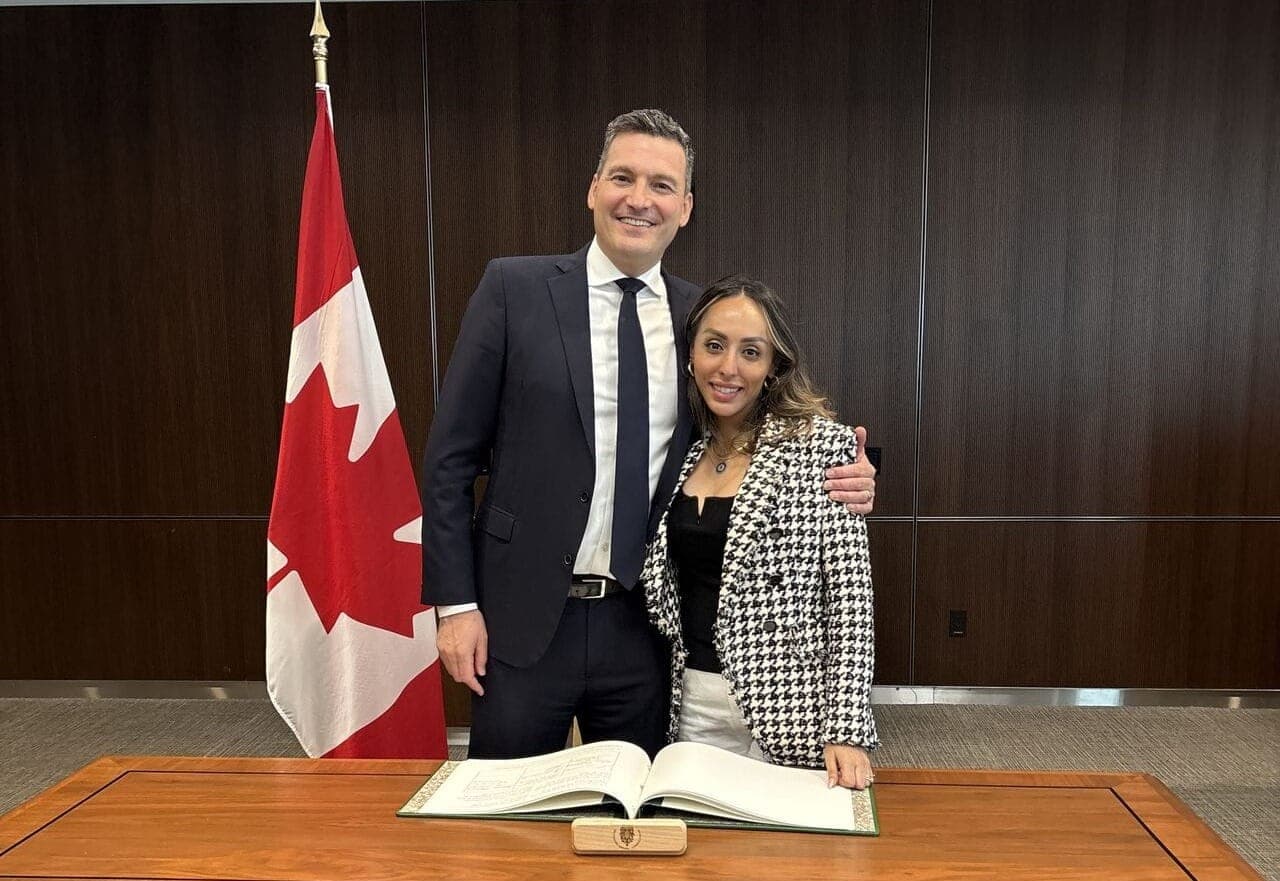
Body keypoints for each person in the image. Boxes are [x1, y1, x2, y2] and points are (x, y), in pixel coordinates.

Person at [421, 109, 877, 759]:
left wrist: (851, 474)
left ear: (685, 207)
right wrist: (454, 605)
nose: (640, 199)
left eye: (661, 185)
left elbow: (757, 420)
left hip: (646, 629)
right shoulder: (511, 289)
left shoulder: (701, 317)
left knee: (639, 821)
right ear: (593, 188)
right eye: (623, 177)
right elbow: (449, 459)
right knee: (508, 820)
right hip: (516, 620)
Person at [642, 275, 878, 789]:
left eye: (751, 352)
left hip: (791, 708)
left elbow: (850, 602)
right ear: (691, 356)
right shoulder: (675, 450)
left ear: (773, 368)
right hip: (689, 706)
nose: (729, 367)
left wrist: (848, 727)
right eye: (714, 346)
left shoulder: (823, 449)